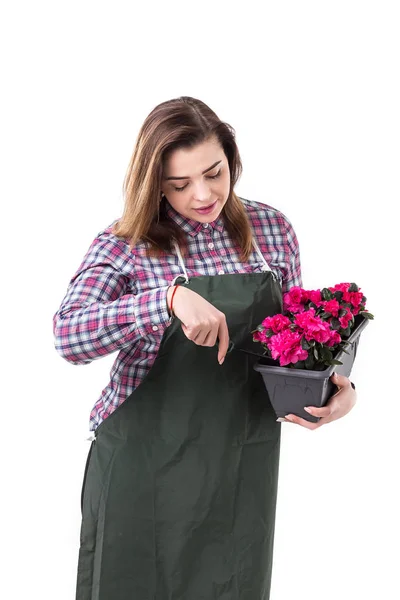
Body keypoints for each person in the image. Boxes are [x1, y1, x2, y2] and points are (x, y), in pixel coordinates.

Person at [53, 96, 357, 600]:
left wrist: (336, 390)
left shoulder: (272, 231)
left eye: (215, 173)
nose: (202, 194)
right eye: (179, 184)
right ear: (155, 183)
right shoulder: (124, 243)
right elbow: (68, 335)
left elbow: (295, 345)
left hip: (240, 470)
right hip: (143, 471)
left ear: (231, 161)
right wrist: (167, 299)